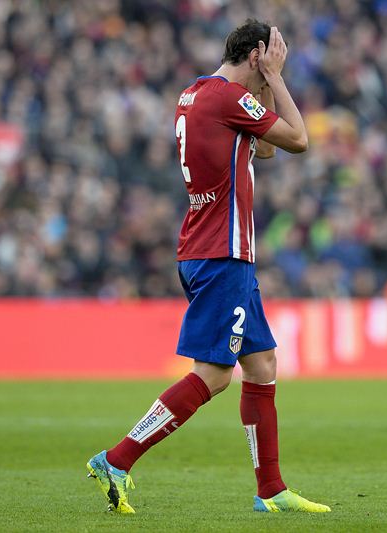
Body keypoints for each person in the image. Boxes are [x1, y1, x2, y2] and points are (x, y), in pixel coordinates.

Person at [86, 19, 330, 514]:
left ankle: (271, 488)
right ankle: (117, 458)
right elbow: (299, 140)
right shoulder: (226, 98)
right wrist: (277, 79)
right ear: (258, 55)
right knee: (216, 375)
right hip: (222, 253)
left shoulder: (194, 94)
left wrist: (263, 95)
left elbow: (264, 147)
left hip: (212, 249)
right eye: (271, 62)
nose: (270, 79)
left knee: (261, 365)